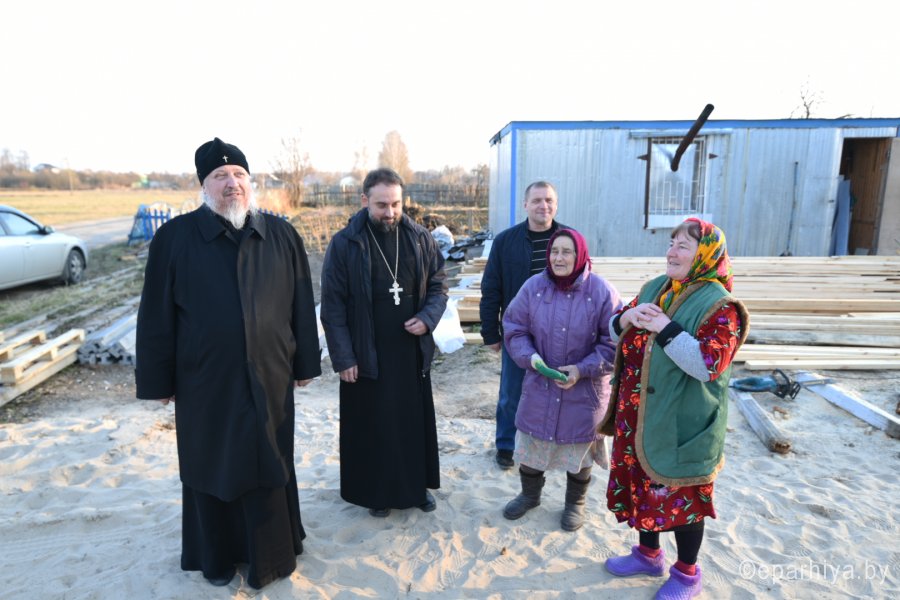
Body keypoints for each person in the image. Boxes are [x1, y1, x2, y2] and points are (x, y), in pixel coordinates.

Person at [135, 138, 322, 589]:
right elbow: (155, 315)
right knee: (212, 462)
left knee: (270, 457)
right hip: (205, 381)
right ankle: (216, 558)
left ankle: (273, 555)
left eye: (239, 174)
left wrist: (305, 364)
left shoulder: (282, 235)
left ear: (251, 183)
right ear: (204, 186)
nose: (231, 183)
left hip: (271, 375)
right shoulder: (174, 239)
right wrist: (158, 380)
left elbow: (301, 303)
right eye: (220, 176)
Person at [599, 218, 749, 599]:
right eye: (671, 243)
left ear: (706, 255)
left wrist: (665, 328)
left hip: (684, 423)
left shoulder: (721, 306)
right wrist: (625, 318)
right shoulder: (656, 288)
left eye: (683, 246)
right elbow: (614, 331)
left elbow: (707, 365)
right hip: (641, 415)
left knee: (684, 495)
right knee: (643, 483)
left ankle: (687, 575)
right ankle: (648, 555)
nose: (671, 252)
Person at [320, 168, 448, 518]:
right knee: (374, 425)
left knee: (411, 423)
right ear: (364, 200)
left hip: (410, 350)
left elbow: (439, 285)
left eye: (395, 204)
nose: (390, 212)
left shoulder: (420, 238)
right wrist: (343, 357)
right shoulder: (345, 242)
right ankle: (376, 493)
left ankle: (416, 488)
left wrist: (428, 318)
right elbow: (332, 306)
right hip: (365, 352)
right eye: (381, 205)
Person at [500, 228, 621, 531]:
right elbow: (514, 328)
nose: (559, 258)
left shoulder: (602, 292)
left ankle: (575, 503)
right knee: (531, 448)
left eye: (567, 252)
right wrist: (531, 358)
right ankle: (530, 496)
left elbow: (613, 343)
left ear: (580, 255)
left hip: (585, 390)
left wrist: (581, 369)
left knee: (579, 453)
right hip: (540, 385)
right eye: (554, 251)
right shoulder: (534, 288)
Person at [480, 181, 568, 469]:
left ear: (556, 204)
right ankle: (506, 445)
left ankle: (550, 443)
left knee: (557, 391)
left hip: (560, 331)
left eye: (549, 200)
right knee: (512, 393)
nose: (544, 205)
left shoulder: (569, 239)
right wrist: (490, 332)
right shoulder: (506, 242)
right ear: (525, 204)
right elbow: (491, 287)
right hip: (518, 331)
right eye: (537, 200)